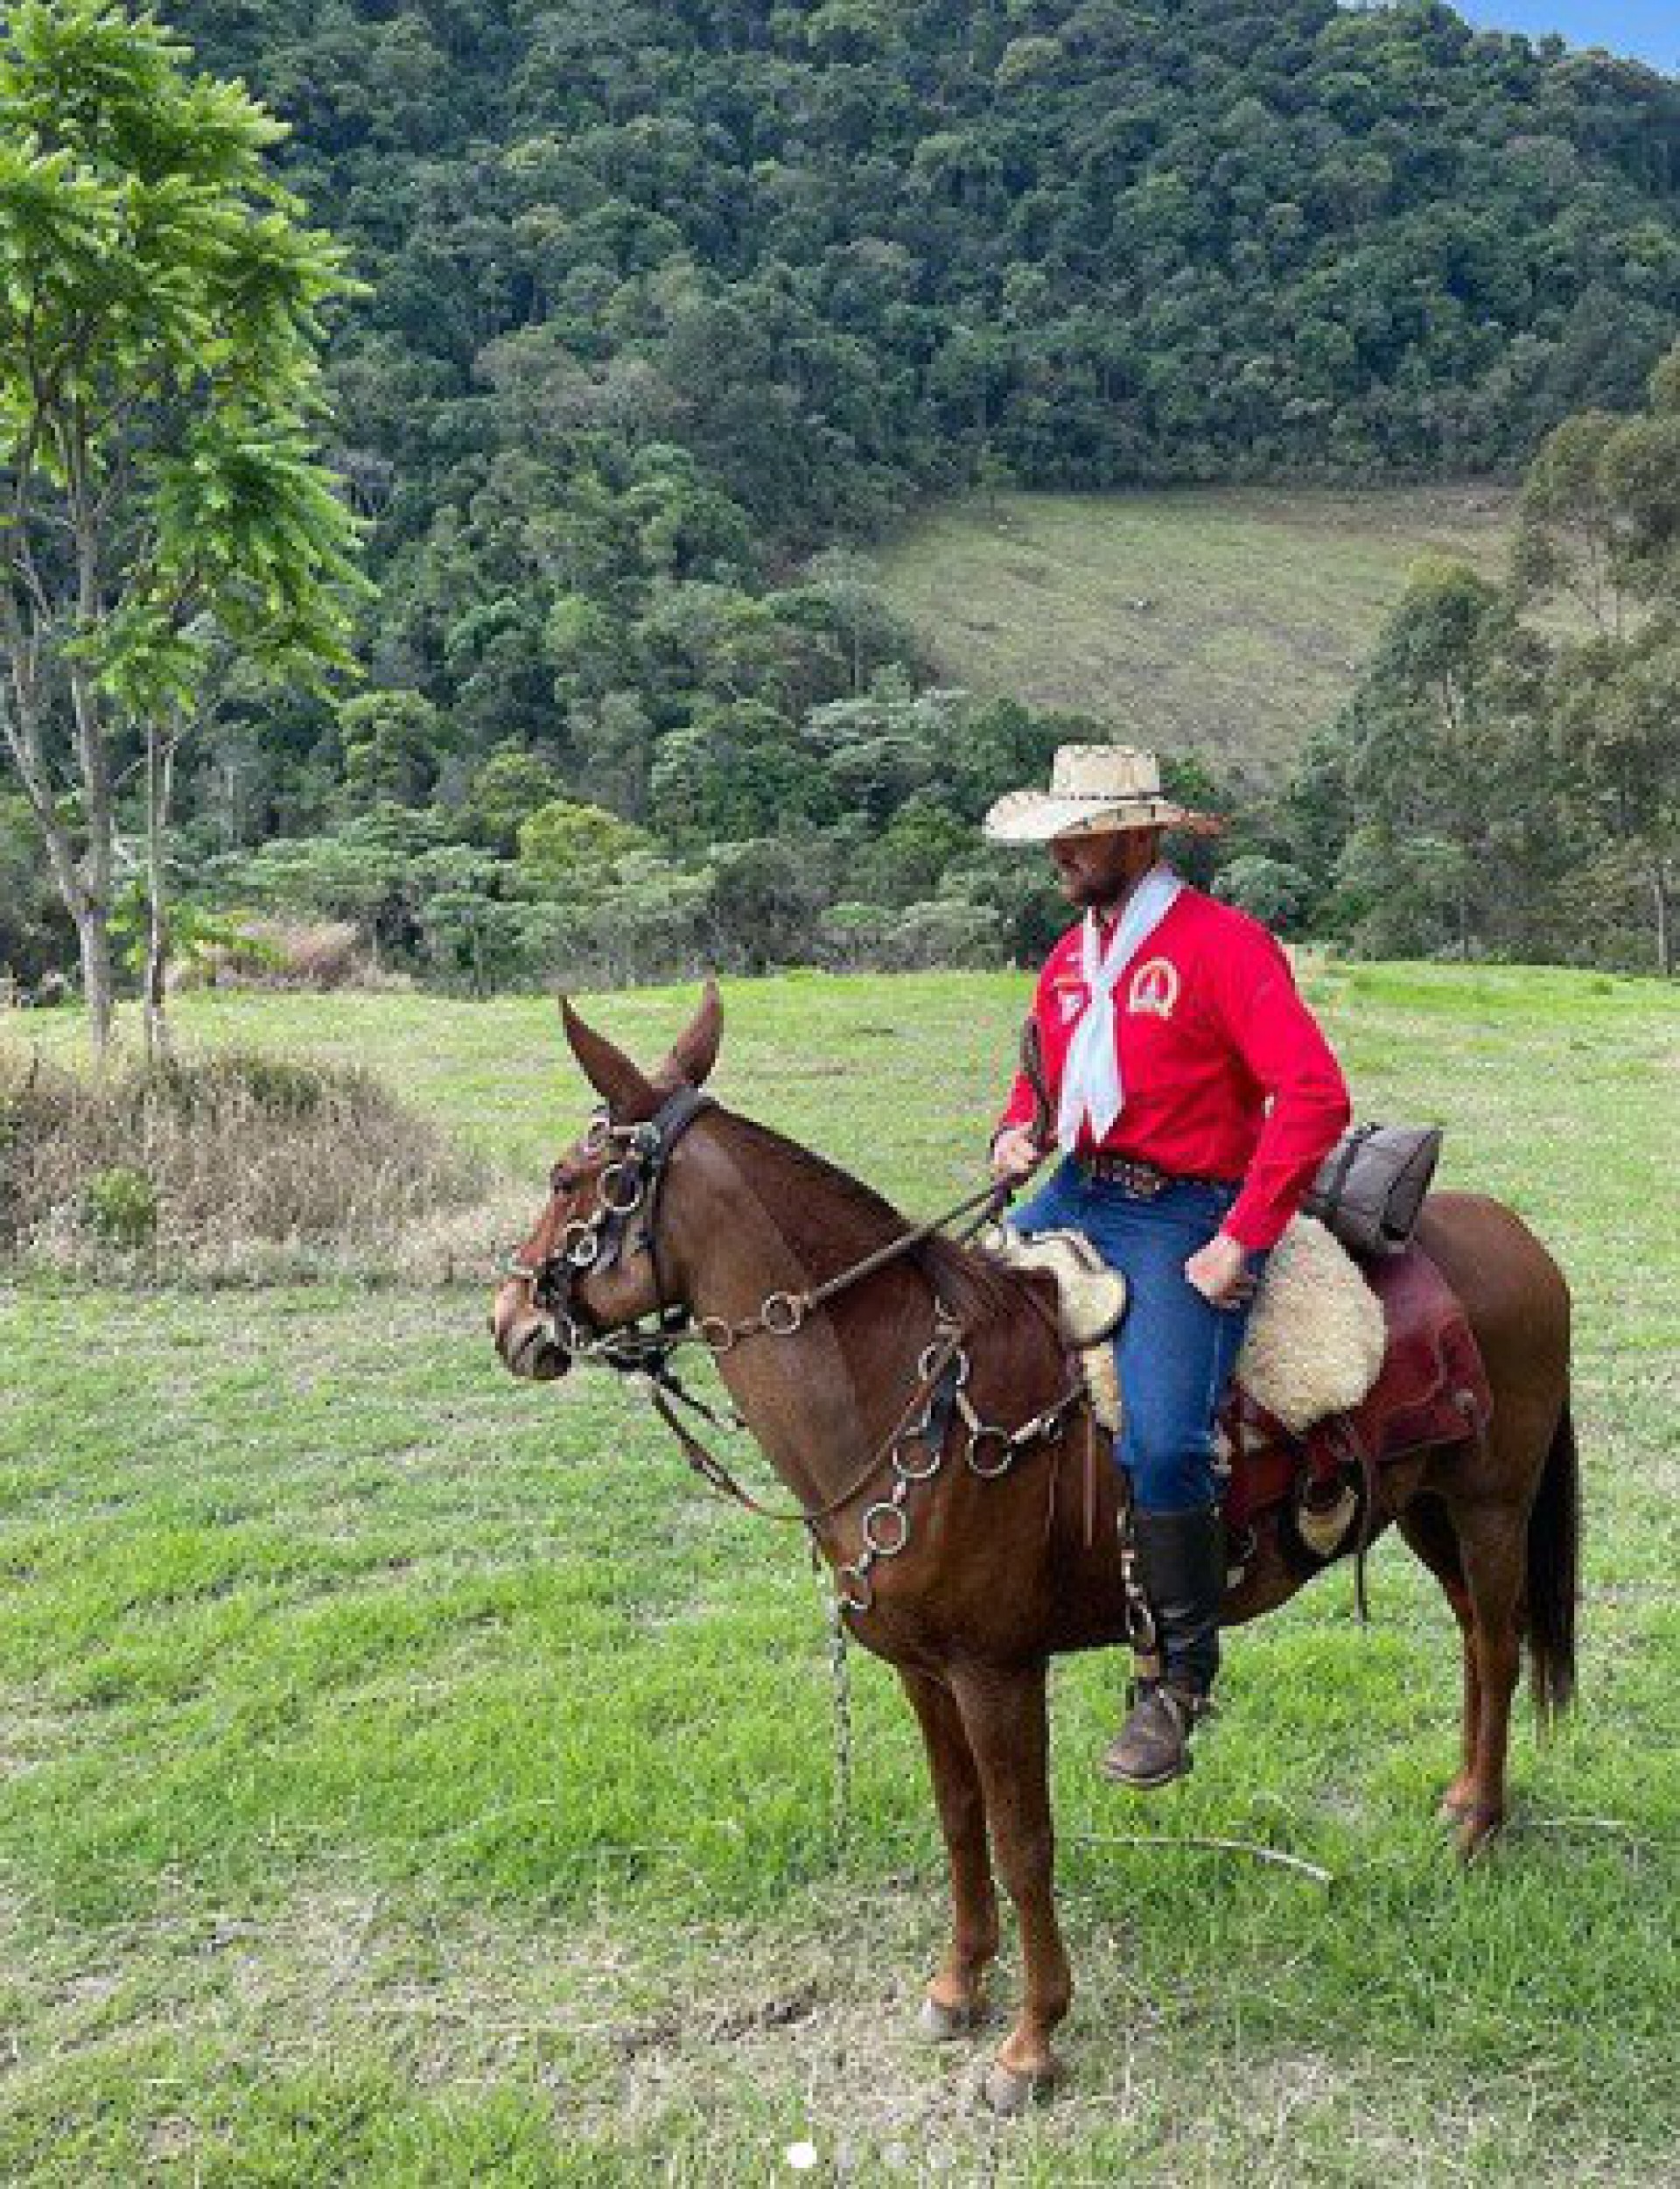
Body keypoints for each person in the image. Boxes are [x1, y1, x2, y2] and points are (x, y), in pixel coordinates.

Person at [984, 746, 1352, 1787]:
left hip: (1185, 1207)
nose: (1060, 853)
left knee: (1162, 1437)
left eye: (1082, 835)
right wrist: (1018, 1129)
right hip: (1080, 1187)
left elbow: (1314, 1095)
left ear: (1140, 836)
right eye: (1057, 836)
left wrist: (1243, 1235)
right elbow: (1042, 1078)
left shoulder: (1225, 946)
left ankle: (1178, 1677)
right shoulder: (1069, 958)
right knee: (954, 1321)